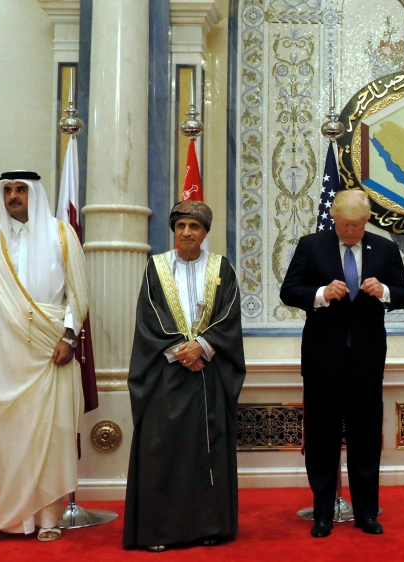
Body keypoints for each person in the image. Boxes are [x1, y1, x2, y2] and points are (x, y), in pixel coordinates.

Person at [0, 170, 89, 544]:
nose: (14, 196)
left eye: (21, 190)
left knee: (51, 436)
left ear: (35, 193)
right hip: (1, 354)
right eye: (8, 190)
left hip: (50, 352)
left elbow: (77, 292)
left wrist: (69, 336)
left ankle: (49, 517)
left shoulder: (61, 235)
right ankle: (4, 518)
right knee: (6, 438)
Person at [280, 189, 404, 538]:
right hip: (323, 361)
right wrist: (321, 294)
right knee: (321, 440)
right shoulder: (311, 246)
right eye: (344, 224)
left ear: (367, 221)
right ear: (333, 218)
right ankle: (322, 513)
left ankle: (366, 513)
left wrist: (383, 290)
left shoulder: (385, 249)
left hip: (366, 362)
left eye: (357, 225)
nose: (350, 231)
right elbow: (289, 290)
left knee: (365, 440)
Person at [123, 201, 246, 552]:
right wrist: (182, 350)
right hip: (166, 375)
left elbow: (229, 314)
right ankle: (159, 532)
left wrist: (203, 346)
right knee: (164, 451)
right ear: (174, 231)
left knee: (207, 452)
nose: (187, 232)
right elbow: (149, 316)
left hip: (210, 375)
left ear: (205, 232)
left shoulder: (221, 267)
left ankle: (211, 527)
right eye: (181, 226)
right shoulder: (156, 268)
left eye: (194, 226)